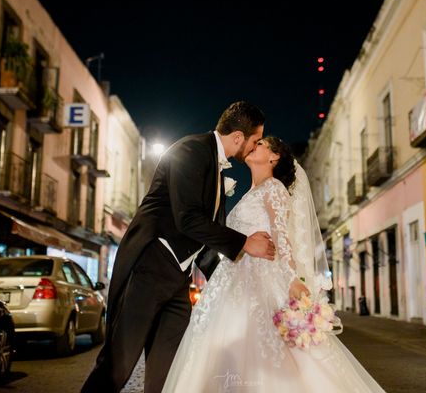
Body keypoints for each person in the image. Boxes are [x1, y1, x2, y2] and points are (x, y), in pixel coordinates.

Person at [82, 101, 277, 393]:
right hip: (149, 268)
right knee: (118, 365)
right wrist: (245, 243)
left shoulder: (216, 166)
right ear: (238, 137)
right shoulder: (191, 151)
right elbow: (187, 219)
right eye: (254, 139)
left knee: (169, 371)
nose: (255, 146)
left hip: (178, 282)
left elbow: (205, 242)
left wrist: (232, 280)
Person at [162, 137, 385, 392]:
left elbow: (282, 239)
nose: (253, 145)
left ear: (274, 157)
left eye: (261, 144)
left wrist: (292, 279)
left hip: (261, 280)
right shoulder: (250, 193)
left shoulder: (274, 188)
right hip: (233, 281)